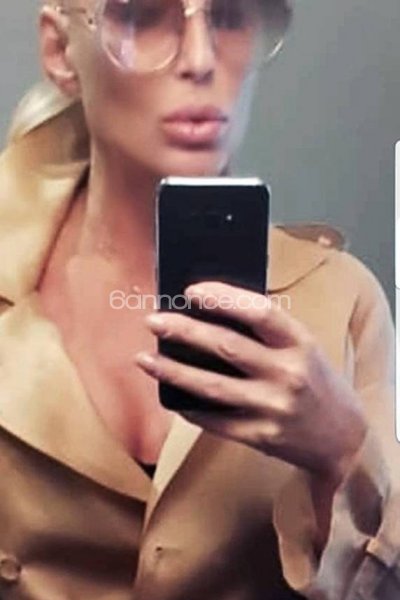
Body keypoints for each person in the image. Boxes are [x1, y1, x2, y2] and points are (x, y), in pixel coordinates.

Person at [0, 0, 398, 598]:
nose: (200, 58)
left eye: (229, 16)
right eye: (142, 15)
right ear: (61, 51)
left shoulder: (343, 302)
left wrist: (342, 452)